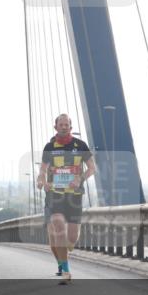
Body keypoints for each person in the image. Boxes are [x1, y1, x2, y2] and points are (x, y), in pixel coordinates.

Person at [37, 114, 94, 284]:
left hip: (75, 195)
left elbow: (92, 168)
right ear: (55, 127)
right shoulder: (49, 147)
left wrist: (80, 178)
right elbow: (42, 170)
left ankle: (64, 254)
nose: (64, 127)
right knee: (58, 224)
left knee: (72, 237)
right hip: (55, 194)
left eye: (66, 124)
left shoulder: (81, 145)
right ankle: (66, 270)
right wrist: (42, 181)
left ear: (71, 126)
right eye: (60, 124)